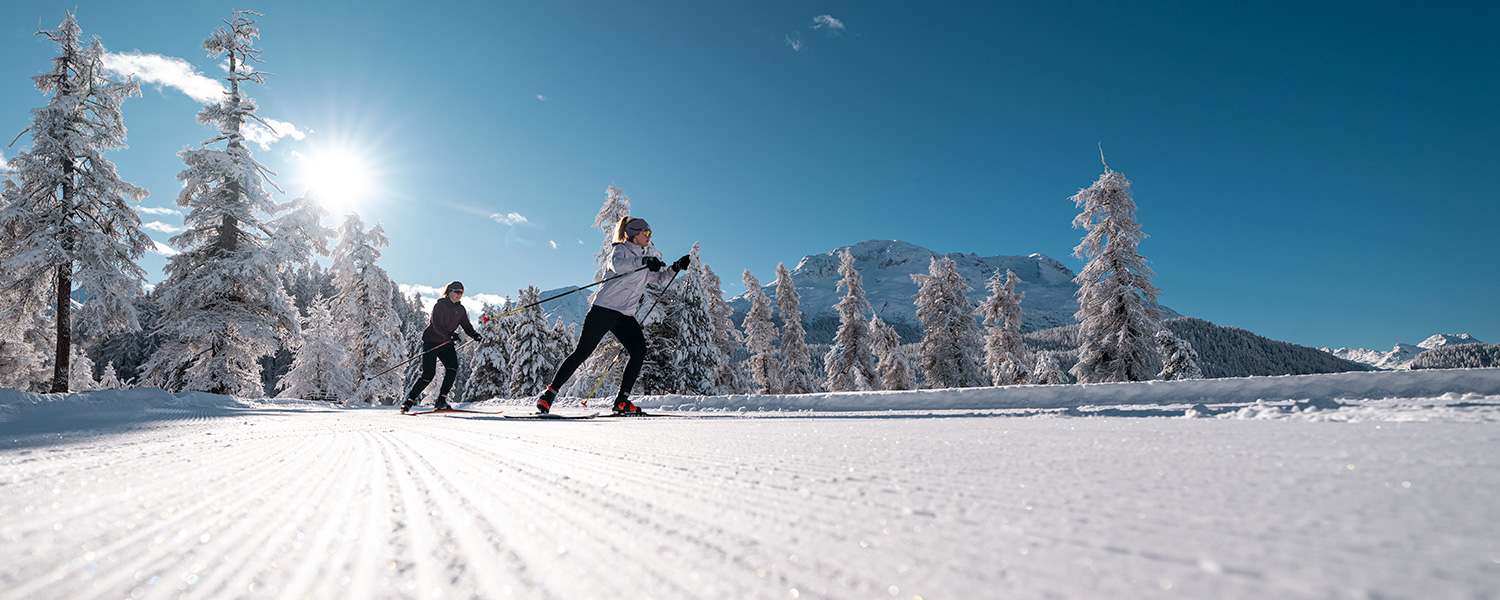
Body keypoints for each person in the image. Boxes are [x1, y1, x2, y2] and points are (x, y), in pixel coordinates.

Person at [537, 216, 689, 414]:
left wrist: (675, 267)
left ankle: (622, 401)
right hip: (604, 310)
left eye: (650, 234)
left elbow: (659, 279)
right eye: (646, 233)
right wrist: (644, 261)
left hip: (624, 316)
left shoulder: (642, 258)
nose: (649, 237)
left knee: (639, 350)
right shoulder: (619, 251)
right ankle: (549, 395)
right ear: (634, 234)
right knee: (582, 352)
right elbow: (620, 266)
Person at [401, 281, 482, 413]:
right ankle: (409, 401)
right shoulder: (440, 305)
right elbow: (436, 325)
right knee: (428, 374)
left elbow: (467, 326)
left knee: (452, 368)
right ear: (449, 292)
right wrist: (449, 335)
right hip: (431, 341)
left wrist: (475, 335)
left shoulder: (460, 309)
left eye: (461, 292)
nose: (458, 295)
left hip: (446, 344)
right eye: (456, 291)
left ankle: (441, 400)